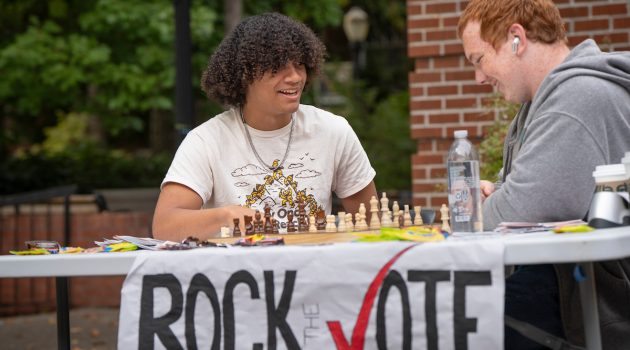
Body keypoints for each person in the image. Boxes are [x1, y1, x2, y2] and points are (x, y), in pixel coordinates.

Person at [458, 0, 630, 349]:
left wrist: (485, 206)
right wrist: (499, 194)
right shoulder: (540, 105)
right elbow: (514, 191)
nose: (478, 77)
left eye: (479, 59)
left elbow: (519, 208)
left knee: (455, 324)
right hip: (573, 284)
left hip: (597, 298)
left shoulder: (577, 99)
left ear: (516, 38)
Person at [153, 13, 377, 241]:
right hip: (237, 274)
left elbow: (373, 224)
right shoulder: (205, 140)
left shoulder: (333, 130)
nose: (295, 77)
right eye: (278, 67)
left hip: (313, 272)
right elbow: (164, 226)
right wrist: (227, 216)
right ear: (243, 76)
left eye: (300, 64)